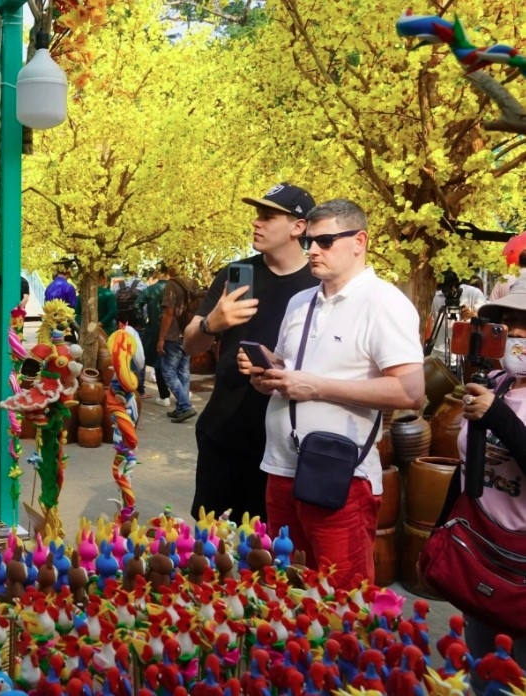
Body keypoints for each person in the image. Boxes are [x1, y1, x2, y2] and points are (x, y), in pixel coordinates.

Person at [245, 198, 424, 589]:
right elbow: (294, 369)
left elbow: (411, 391)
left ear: (359, 241)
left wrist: (316, 387)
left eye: (324, 241)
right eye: (309, 240)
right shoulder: (300, 302)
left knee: (341, 600)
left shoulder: (384, 302)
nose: (312, 250)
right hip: (281, 466)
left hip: (339, 475)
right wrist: (268, 376)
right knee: (287, 590)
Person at [182, 182, 319, 523]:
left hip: (287, 446)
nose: (256, 223)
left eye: (268, 216)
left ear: (298, 227)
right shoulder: (235, 274)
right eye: (257, 215)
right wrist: (212, 323)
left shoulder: (319, 285)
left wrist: (279, 365)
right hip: (223, 434)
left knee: (272, 553)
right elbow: (189, 344)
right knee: (211, 547)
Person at [457, 284, 526, 682]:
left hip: (522, 568)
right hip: (483, 553)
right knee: (481, 667)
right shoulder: (495, 382)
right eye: (509, 322)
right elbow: (468, 464)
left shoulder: (495, 400)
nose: (515, 332)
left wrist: (498, 417)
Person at [157, 267, 196, 423]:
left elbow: (168, 314)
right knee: (183, 372)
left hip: (173, 335)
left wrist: (161, 338)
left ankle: (185, 406)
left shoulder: (172, 285)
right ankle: (181, 407)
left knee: (168, 372)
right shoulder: (193, 283)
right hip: (189, 332)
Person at [426, 271, 486, 368]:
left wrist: (472, 315)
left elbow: (485, 317)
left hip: (464, 357)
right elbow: (431, 322)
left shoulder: (473, 293)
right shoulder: (437, 296)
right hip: (438, 356)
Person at [136, 266, 171, 406]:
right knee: (180, 362)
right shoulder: (175, 289)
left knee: (158, 361)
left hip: (155, 329)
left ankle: (164, 395)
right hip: (174, 330)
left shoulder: (150, 289)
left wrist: (143, 323)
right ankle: (183, 393)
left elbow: (137, 305)